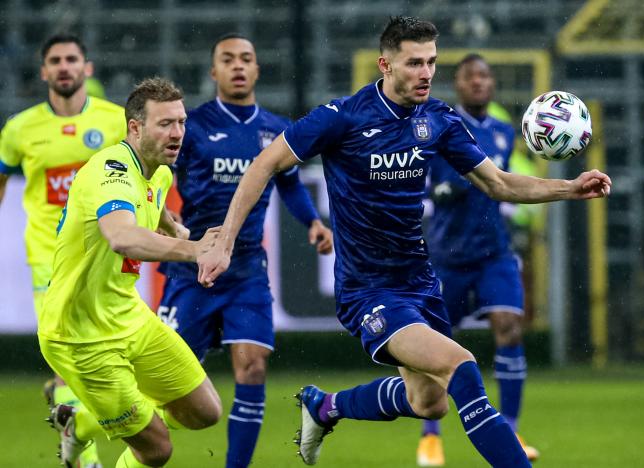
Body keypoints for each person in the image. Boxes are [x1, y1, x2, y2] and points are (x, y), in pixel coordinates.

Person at [198, 16, 611, 467]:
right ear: (385, 65)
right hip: (368, 290)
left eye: (432, 62)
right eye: (415, 62)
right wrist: (224, 241)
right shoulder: (343, 118)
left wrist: (570, 187)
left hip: (420, 284)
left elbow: (498, 184)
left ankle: (324, 406)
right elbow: (263, 164)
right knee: (463, 367)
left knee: (427, 402)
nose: (427, 73)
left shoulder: (438, 120)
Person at [156, 33, 333, 468]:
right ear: (213, 71)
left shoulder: (274, 130)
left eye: (246, 59)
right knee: (166, 387)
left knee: (252, 367)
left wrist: (311, 220)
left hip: (247, 269)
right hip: (191, 270)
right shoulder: (191, 126)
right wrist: (167, 228)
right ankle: (97, 430)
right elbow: (153, 179)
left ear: (257, 70)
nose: (238, 66)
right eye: (228, 59)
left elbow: (289, 183)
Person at [39, 77, 223, 468]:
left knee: (205, 412)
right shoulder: (110, 168)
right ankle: (98, 426)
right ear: (135, 128)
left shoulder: (158, 173)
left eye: (182, 122)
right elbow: (122, 236)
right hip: (80, 334)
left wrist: (173, 226)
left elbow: (150, 211)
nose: (178, 134)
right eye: (165, 124)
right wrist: (194, 250)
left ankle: (79, 423)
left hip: (128, 315)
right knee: (156, 449)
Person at [0, 32, 126, 468]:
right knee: (68, 352)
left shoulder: (115, 122)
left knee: (111, 355)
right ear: (44, 72)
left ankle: (65, 404)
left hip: (104, 256)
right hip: (48, 258)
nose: (64, 67)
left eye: (72, 59)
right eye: (55, 60)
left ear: (87, 69)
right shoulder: (19, 129)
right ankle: (84, 455)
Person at [417, 53, 538, 466]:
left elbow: (509, 183)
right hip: (448, 255)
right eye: (471, 77)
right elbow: (424, 184)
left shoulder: (505, 131)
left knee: (509, 327)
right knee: (437, 345)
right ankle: (430, 435)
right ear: (459, 85)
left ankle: (513, 430)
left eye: (485, 76)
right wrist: (443, 191)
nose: (479, 83)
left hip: (495, 253)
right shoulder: (439, 126)